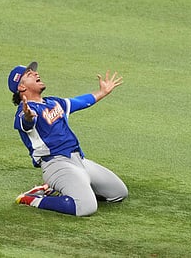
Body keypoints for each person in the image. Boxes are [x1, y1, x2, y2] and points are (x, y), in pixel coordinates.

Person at [7, 61, 128, 216]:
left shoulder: (53, 102)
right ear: (22, 87)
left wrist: (102, 92)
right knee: (86, 207)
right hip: (56, 165)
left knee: (118, 193)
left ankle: (56, 188)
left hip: (80, 160)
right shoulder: (24, 112)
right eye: (30, 74)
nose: (36, 73)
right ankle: (30, 199)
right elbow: (27, 123)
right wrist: (29, 117)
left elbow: (80, 102)